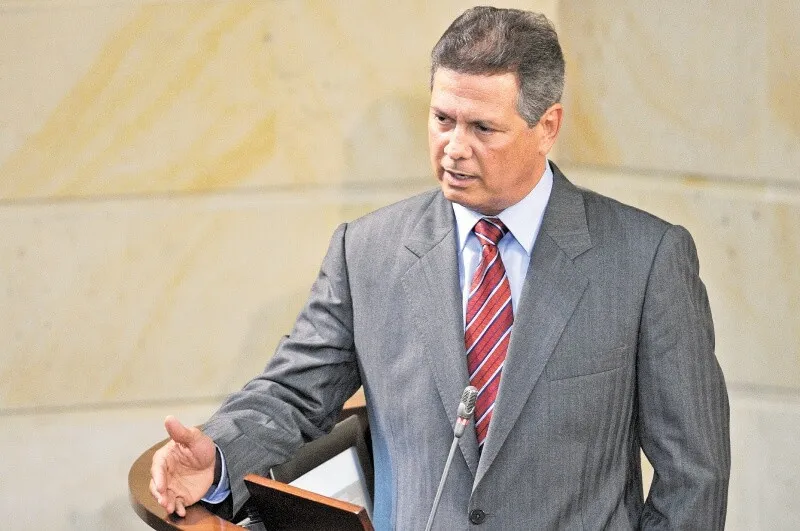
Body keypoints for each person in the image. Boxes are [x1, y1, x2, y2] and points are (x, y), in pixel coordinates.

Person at [151, 6, 730, 529]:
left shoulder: (646, 260)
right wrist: (218, 455)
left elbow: (694, 475)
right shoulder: (366, 252)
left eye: (482, 128)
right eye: (442, 119)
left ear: (547, 127)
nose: (454, 147)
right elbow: (293, 394)